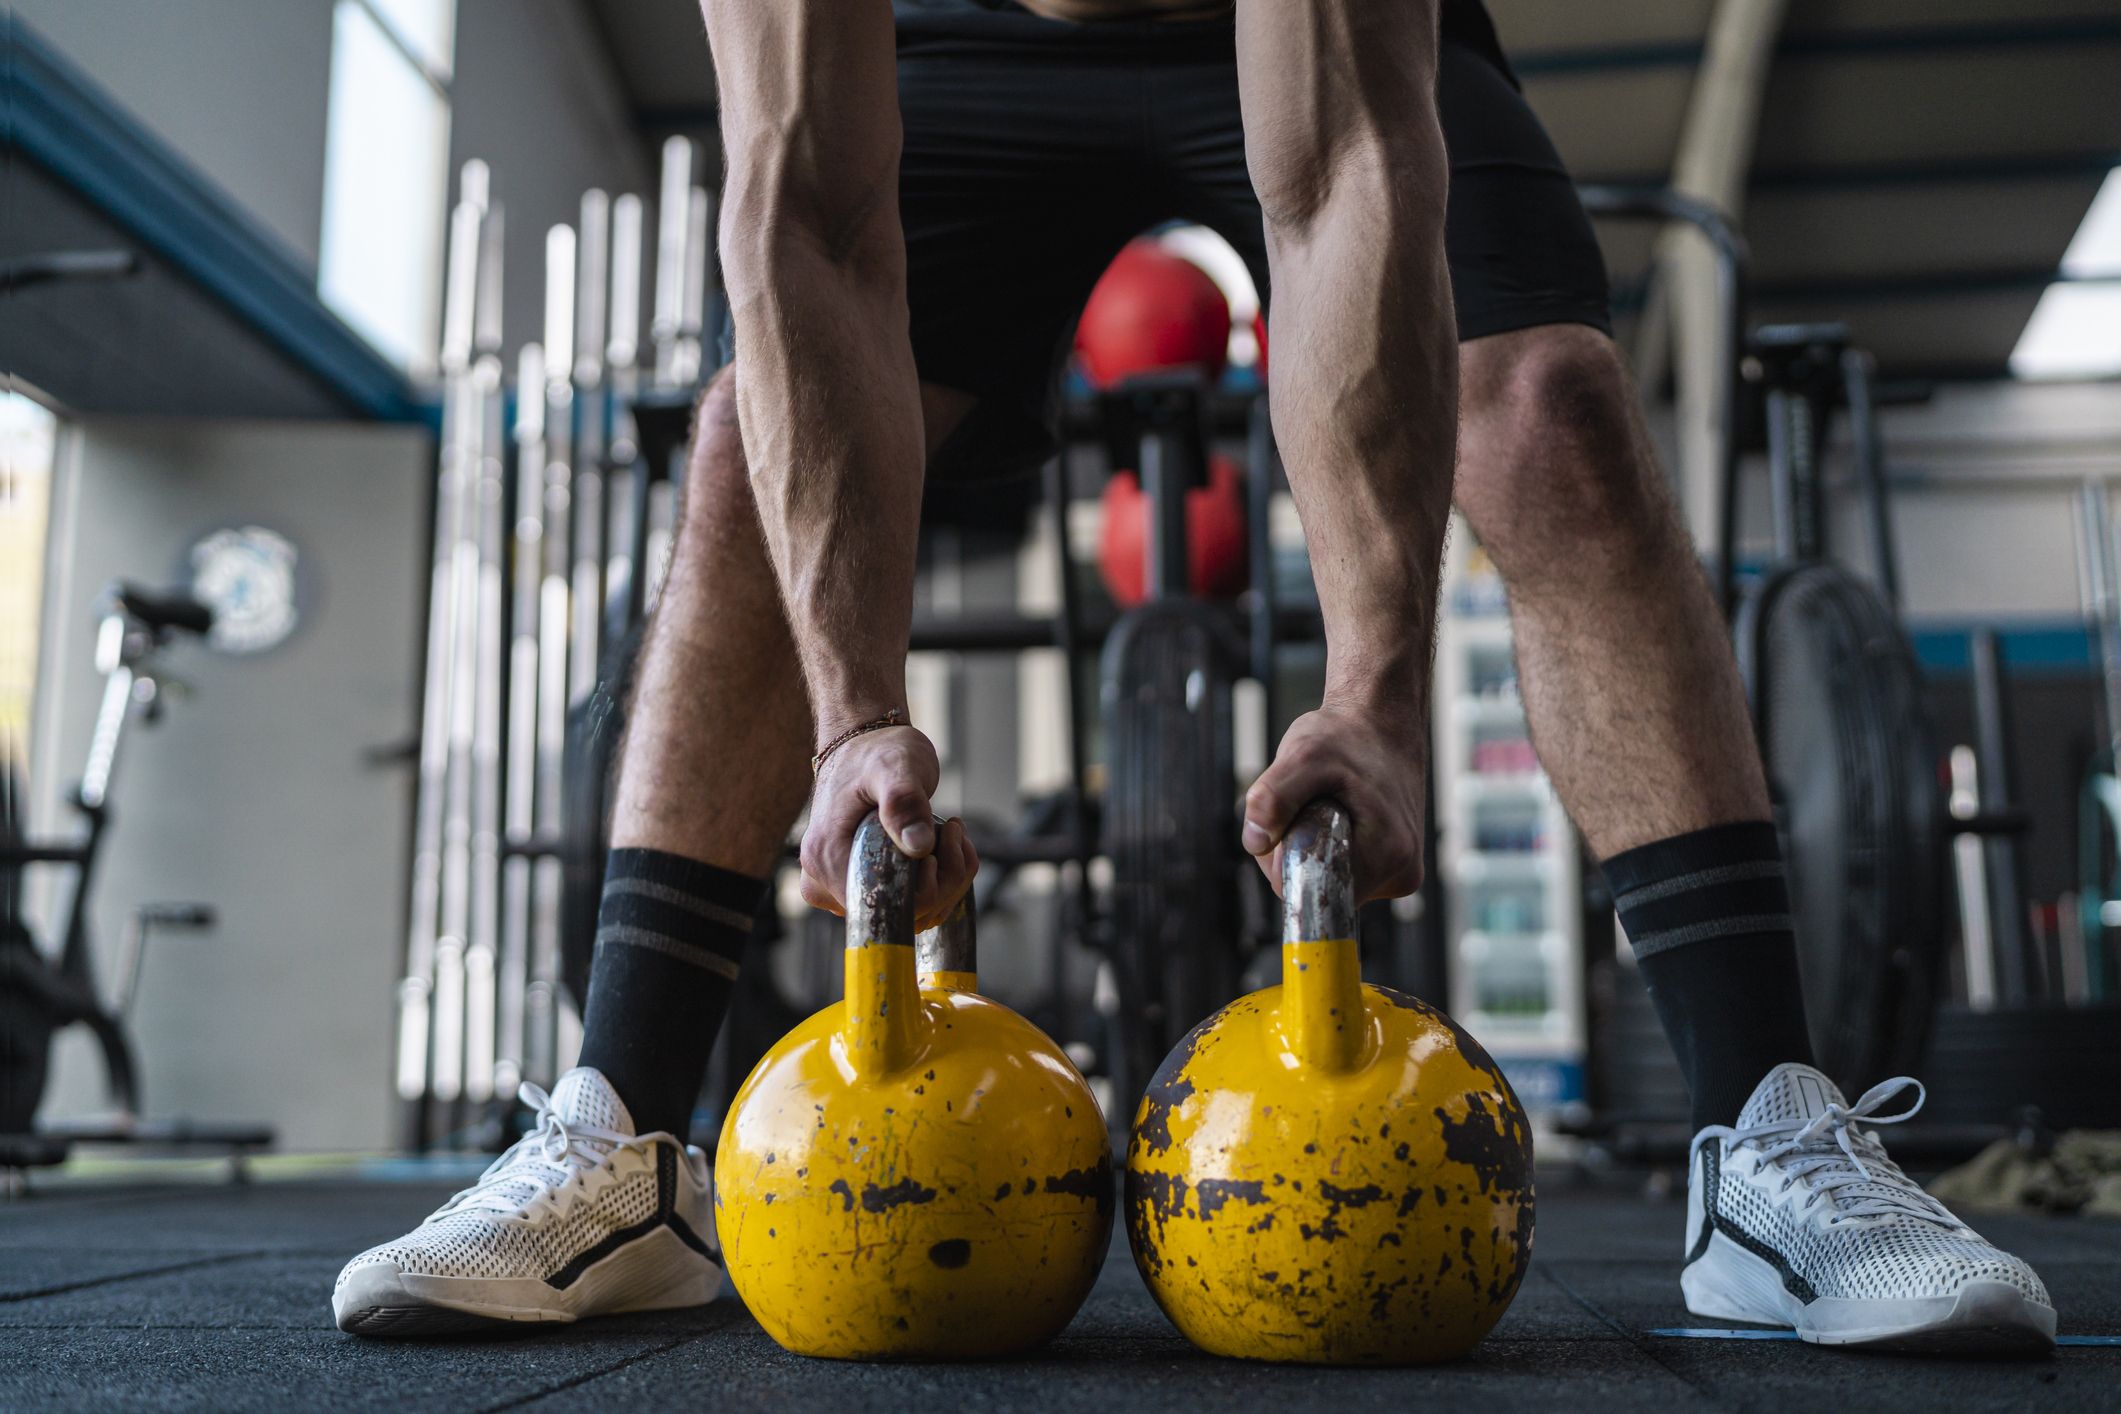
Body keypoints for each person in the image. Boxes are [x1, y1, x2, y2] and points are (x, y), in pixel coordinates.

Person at [335, 0, 2056, 1352]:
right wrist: (853, 711)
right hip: (953, 48)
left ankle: (1768, 1148)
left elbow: (1338, 183)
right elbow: (813, 216)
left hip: (1322, 55)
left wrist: (1373, 687)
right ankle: (619, 1153)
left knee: (1550, 411)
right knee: (733, 453)